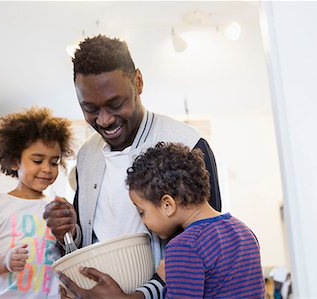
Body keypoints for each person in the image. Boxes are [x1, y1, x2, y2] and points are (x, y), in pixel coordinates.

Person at [43, 35, 222, 298]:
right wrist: (69, 232)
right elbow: (88, 240)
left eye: (116, 104)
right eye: (90, 108)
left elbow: (207, 245)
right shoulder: (86, 157)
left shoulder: (187, 144)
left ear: (138, 82)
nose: (104, 120)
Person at [125, 142, 265, 298]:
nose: (143, 222)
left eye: (141, 212)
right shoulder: (243, 230)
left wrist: (167, 280)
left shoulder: (184, 246)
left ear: (167, 205)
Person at [0, 107, 73, 299]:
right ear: (15, 161)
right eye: (38, 160)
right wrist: (3, 263)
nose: (47, 169)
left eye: (54, 162)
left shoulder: (57, 208)